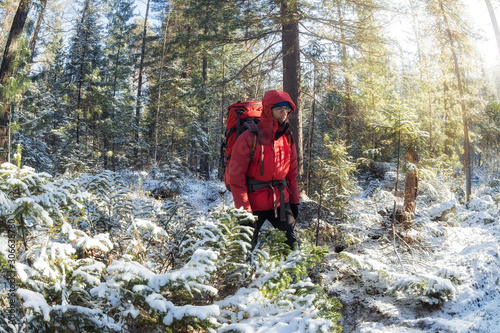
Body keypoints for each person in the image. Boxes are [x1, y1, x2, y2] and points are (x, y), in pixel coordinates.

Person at [229, 90, 300, 249]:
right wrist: (244, 212)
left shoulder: (287, 137)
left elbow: (292, 174)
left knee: (292, 247)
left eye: (287, 109)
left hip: (281, 202)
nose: (284, 113)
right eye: (279, 109)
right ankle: (244, 274)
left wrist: (294, 201)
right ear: (268, 110)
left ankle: (291, 274)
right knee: (244, 250)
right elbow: (236, 178)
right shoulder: (249, 137)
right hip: (253, 205)